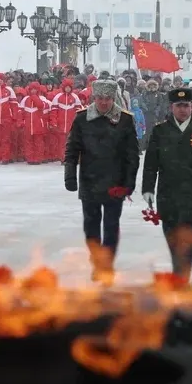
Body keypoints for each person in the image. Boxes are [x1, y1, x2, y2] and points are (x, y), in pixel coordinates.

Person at [141, 86, 192, 283]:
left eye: (186, 105)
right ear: (171, 107)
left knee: (188, 235)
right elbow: (151, 162)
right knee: (171, 234)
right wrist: (148, 188)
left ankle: (182, 275)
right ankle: (179, 269)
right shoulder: (160, 131)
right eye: (179, 106)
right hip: (167, 192)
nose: (183, 110)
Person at [64, 80, 140, 284]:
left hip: (115, 181)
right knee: (91, 225)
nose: (104, 103)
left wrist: (129, 182)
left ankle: (106, 264)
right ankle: (97, 257)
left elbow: (132, 155)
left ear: (113, 98)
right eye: (100, 99)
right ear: (94, 98)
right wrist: (70, 175)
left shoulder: (124, 120)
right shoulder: (82, 119)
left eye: (107, 99)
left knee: (111, 225)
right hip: (90, 180)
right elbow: (72, 150)